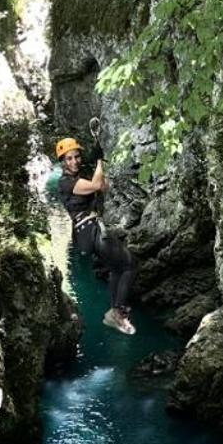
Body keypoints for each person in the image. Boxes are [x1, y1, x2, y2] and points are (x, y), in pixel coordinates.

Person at [53, 136, 136, 335]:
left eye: (76, 157)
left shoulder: (80, 177)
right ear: (62, 162)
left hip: (91, 230)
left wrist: (96, 168)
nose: (74, 161)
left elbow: (103, 186)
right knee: (130, 265)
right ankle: (117, 313)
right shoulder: (65, 183)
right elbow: (97, 186)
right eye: (69, 159)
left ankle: (115, 313)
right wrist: (99, 161)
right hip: (90, 230)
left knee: (117, 268)